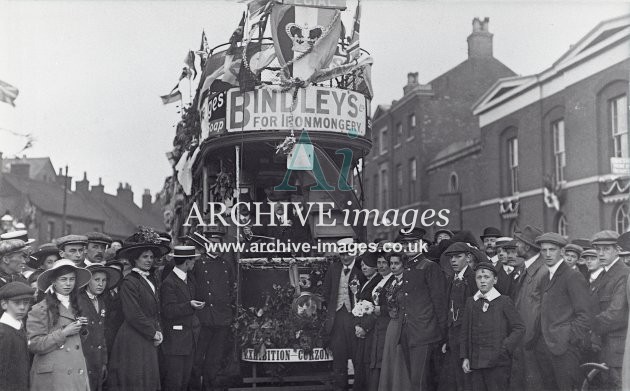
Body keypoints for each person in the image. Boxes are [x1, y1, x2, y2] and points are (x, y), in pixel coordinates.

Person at [107, 228, 170, 391]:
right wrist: (153, 332)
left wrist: (157, 330)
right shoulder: (129, 282)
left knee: (148, 378)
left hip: (147, 335)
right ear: (135, 259)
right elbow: (133, 314)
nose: (149, 260)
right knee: (137, 379)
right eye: (144, 257)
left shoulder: (150, 279)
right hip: (133, 337)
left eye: (151, 257)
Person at [533, 232, 593, 391]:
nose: (547, 254)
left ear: (562, 252)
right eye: (543, 250)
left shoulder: (572, 276)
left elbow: (585, 314)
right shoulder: (546, 276)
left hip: (564, 349)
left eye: (552, 249)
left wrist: (569, 339)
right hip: (546, 347)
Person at [27, 259, 92, 390]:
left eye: (72, 279)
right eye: (63, 279)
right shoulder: (40, 308)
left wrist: (82, 330)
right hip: (54, 376)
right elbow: (34, 344)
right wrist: (64, 332)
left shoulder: (77, 305)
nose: (68, 284)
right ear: (53, 282)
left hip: (75, 371)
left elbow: (76, 344)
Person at [460, 262, 525, 391]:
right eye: (479, 277)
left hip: (497, 362)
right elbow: (464, 331)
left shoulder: (504, 301)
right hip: (476, 361)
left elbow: (519, 327)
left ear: (495, 280)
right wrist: (465, 357)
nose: (482, 281)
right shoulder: (471, 302)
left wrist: (505, 347)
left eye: (486, 277)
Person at [188, 228, 237, 391]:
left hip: (222, 318)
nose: (215, 247)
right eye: (212, 243)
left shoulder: (226, 265)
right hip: (203, 318)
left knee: (215, 359)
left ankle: (210, 386)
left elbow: (231, 288)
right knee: (197, 358)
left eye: (218, 244)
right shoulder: (198, 264)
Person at [398, 238, 447, 391]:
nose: (408, 247)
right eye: (405, 243)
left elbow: (439, 302)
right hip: (408, 332)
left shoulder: (429, 266)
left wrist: (444, 333)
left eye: (413, 243)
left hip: (424, 332)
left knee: (419, 382)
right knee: (417, 379)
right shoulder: (408, 267)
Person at [321, 237, 367, 390]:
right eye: (342, 254)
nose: (345, 257)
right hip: (337, 319)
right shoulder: (334, 268)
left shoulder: (361, 269)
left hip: (354, 319)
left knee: (357, 358)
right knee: (339, 359)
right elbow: (326, 292)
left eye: (348, 253)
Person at [589, 230, 629, 390]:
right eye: (598, 249)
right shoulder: (603, 275)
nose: (601, 254)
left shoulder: (623, 274)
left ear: (617, 250)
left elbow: (616, 313)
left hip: (618, 350)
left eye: (606, 249)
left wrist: (590, 326)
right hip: (605, 348)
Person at [160, 246, 203, 391]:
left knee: (185, 381)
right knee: (174, 382)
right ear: (187, 262)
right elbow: (168, 310)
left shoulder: (189, 279)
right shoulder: (169, 282)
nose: (194, 263)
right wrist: (189, 305)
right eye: (193, 260)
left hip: (189, 340)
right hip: (175, 342)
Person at [509, 225, 544, 391]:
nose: (515, 245)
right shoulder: (525, 268)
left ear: (528, 247)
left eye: (519, 242)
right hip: (523, 340)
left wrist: (529, 339)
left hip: (531, 342)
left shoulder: (541, 271)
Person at [78, 264, 121, 391]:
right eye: (96, 280)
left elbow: (101, 334)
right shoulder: (78, 301)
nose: (101, 284)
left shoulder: (101, 302)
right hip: (83, 359)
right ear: (87, 282)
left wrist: (103, 362)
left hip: (97, 359)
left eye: (104, 280)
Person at [441, 242, 477, 391]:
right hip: (452, 335)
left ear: (468, 257)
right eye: (451, 257)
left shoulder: (474, 278)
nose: (453, 261)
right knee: (454, 378)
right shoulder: (451, 279)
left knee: (467, 378)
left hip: (467, 336)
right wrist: (446, 339)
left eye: (458, 257)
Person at [378, 253, 412, 391]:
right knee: (391, 358)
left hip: (402, 323)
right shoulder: (392, 282)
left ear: (403, 265)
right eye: (391, 263)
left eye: (396, 263)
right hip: (392, 324)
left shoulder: (407, 282)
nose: (392, 266)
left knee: (400, 358)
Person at [353, 252, 382, 391]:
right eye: (362, 265)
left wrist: (364, 327)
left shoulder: (377, 282)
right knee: (361, 363)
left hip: (370, 329)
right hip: (362, 328)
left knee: (367, 363)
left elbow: (374, 307)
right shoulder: (367, 282)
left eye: (367, 264)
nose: (363, 267)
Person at [0, 281, 35, 391]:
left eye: (26, 302)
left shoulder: (18, 327)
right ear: (4, 304)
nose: (22, 307)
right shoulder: (3, 332)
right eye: (17, 303)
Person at [368, 249, 395, 391]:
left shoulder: (393, 280)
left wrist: (381, 309)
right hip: (379, 324)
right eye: (379, 262)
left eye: (385, 263)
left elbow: (394, 303)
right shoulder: (380, 279)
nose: (381, 266)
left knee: (384, 359)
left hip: (387, 324)